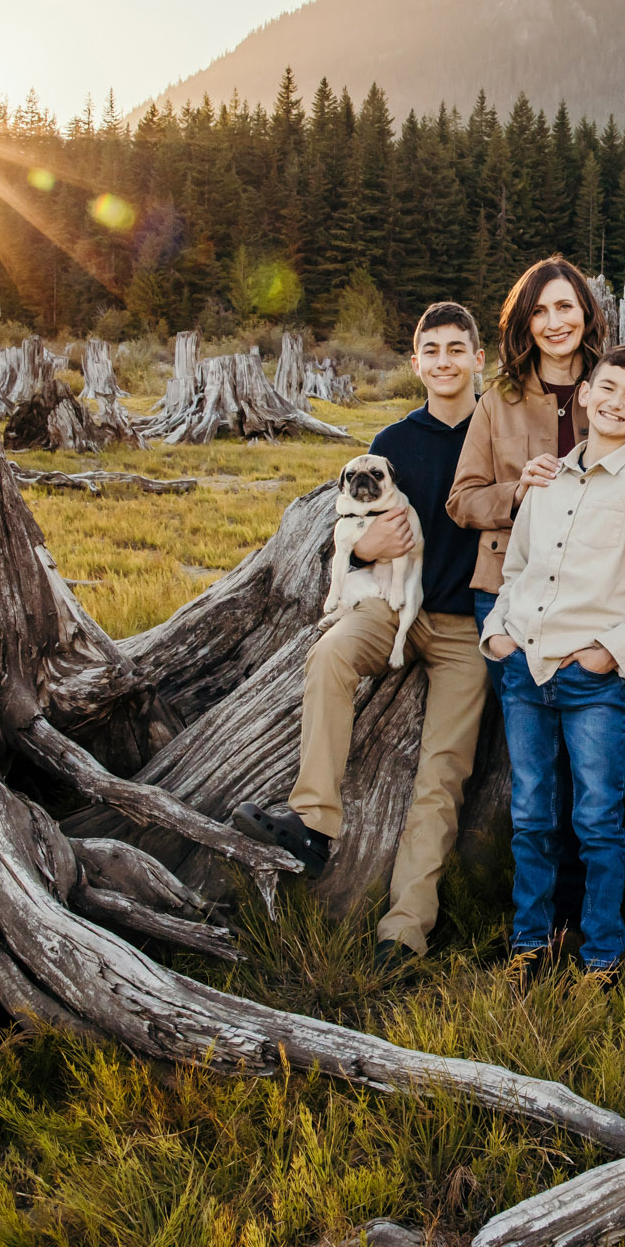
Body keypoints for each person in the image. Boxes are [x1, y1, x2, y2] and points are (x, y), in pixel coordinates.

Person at [232, 303, 489, 961]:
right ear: (415, 363)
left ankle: (405, 929)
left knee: (442, 773)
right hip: (390, 605)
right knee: (330, 655)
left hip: (468, 626)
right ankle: (314, 822)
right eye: (430, 349)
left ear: (478, 358)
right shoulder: (393, 444)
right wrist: (369, 547)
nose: (443, 360)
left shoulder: (498, 431)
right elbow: (352, 526)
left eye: (456, 348)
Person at [482, 345, 625, 978]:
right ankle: (529, 945)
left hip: (592, 680)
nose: (616, 402)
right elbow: (514, 568)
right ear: (584, 394)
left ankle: (601, 954)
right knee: (531, 817)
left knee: (598, 822)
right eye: (607, 388)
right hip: (523, 670)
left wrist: (612, 654)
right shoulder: (544, 478)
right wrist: (498, 635)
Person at [447, 256, 607, 939]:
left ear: (587, 314)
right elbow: (461, 499)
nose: (554, 322)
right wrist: (518, 492)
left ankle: (586, 919)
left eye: (565, 307)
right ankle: (531, 933)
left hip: (596, 604)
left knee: (594, 775)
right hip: (510, 600)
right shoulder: (499, 401)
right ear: (524, 323)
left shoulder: (617, 388)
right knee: (535, 779)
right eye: (539, 311)